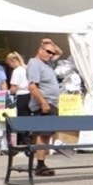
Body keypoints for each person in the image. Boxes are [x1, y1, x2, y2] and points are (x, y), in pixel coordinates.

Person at [23, 39, 62, 176]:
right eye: (48, 52)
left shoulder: (47, 63)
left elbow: (59, 52)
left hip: (52, 103)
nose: (51, 55)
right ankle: (40, 165)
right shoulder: (35, 64)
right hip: (44, 104)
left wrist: (51, 42)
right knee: (42, 134)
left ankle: (41, 163)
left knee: (46, 135)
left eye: (52, 53)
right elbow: (32, 86)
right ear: (40, 50)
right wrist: (43, 102)